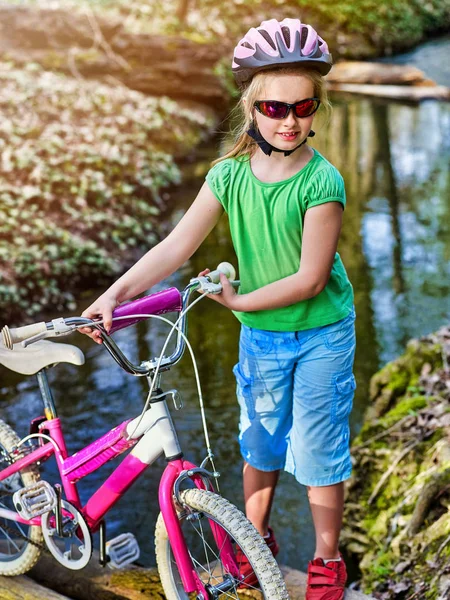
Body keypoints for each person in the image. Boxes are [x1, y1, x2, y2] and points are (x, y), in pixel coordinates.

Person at [81, 17, 356, 600]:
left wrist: (235, 300)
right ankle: (253, 537)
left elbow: (309, 281)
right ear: (252, 108)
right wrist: (115, 294)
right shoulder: (229, 175)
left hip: (321, 334)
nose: (290, 121)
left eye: (303, 108)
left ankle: (328, 561)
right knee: (259, 442)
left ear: (316, 107)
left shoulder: (321, 183)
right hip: (261, 335)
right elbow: (175, 247)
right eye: (276, 109)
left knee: (316, 450)